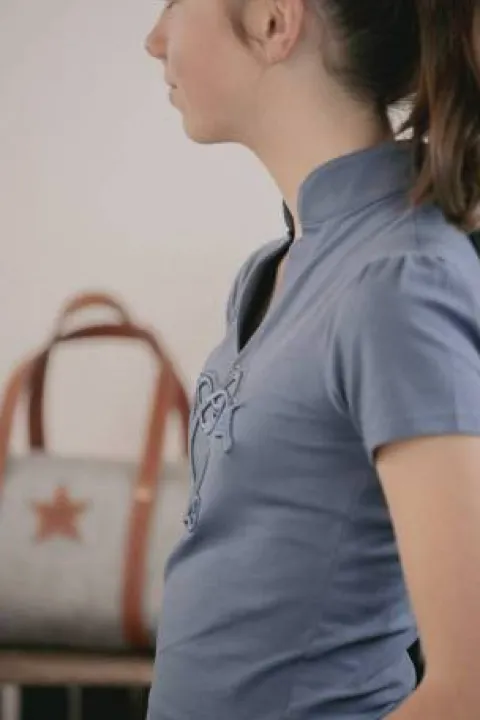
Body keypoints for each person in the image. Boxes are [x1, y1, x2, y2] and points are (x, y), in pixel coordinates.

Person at [144, 1, 480, 718]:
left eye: (176, 3)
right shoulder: (274, 269)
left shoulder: (398, 280)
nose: (154, 39)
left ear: (274, 21)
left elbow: (470, 686)